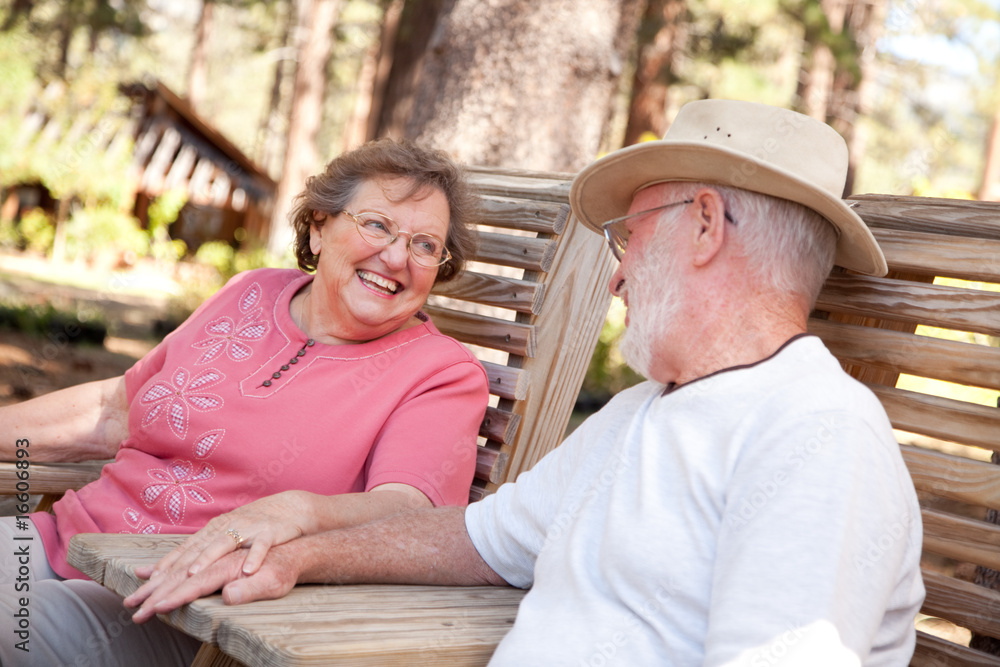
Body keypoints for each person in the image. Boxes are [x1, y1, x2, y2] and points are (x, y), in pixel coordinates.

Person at [126, 100, 925, 665]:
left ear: (706, 223)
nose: (616, 280)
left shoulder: (816, 436)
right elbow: (481, 540)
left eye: (630, 237)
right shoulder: (644, 411)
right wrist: (304, 553)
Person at [0, 137, 490, 666]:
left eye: (424, 245)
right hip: (61, 540)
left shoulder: (440, 372)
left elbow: (409, 511)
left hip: (182, 605)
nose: (397, 257)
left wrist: (296, 511)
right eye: (377, 224)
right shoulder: (250, 292)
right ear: (320, 227)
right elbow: (118, 410)